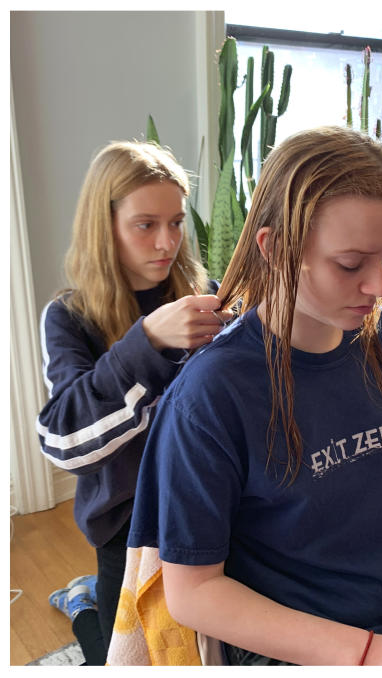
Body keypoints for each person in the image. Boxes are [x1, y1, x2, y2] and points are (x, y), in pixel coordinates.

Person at [127, 127, 382, 665]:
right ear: (274, 246)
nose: (379, 287)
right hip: (308, 649)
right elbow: (194, 592)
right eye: (350, 264)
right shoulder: (210, 397)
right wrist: (367, 653)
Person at [37, 141, 224, 665]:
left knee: (207, 647)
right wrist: (148, 343)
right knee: (126, 657)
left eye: (176, 222)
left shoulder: (202, 293)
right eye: (145, 224)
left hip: (208, 505)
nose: (166, 242)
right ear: (106, 226)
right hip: (128, 525)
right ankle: (82, 606)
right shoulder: (68, 318)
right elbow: (63, 441)